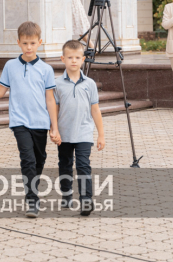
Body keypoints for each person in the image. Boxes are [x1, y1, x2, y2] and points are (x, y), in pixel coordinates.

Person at [0, 21, 60, 218]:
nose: (28, 47)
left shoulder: (46, 69)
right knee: (28, 159)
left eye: (32, 43)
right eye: (25, 43)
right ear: (18, 43)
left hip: (40, 122)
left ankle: (32, 188)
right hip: (19, 121)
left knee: (39, 159)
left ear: (39, 42)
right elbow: (0, 92)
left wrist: (54, 127)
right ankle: (32, 200)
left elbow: (50, 99)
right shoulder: (10, 66)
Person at [54, 40, 105, 216]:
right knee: (65, 164)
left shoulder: (90, 84)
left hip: (84, 132)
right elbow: (55, 109)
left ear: (83, 59)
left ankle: (86, 200)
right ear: (63, 59)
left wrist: (101, 135)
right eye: (70, 57)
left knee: (83, 165)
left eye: (77, 57)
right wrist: (54, 129)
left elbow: (95, 110)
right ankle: (66, 193)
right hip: (64, 133)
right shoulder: (57, 84)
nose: (73, 61)